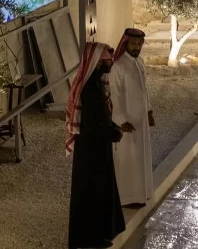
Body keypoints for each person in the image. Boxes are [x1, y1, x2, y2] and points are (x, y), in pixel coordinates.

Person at [66, 42, 125, 249]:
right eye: (108, 59)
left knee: (100, 190)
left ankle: (98, 234)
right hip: (90, 150)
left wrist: (113, 127)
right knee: (90, 192)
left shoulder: (97, 84)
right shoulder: (90, 89)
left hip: (99, 146)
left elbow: (102, 117)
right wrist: (112, 133)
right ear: (98, 61)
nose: (111, 63)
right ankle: (89, 238)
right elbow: (90, 125)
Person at [111, 29, 154, 209]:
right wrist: (121, 120)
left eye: (139, 44)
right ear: (126, 44)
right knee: (128, 157)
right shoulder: (118, 66)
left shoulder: (139, 62)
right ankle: (127, 198)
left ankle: (142, 193)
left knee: (140, 156)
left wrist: (149, 111)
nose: (136, 47)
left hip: (141, 119)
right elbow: (115, 95)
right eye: (133, 43)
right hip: (127, 121)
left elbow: (144, 90)